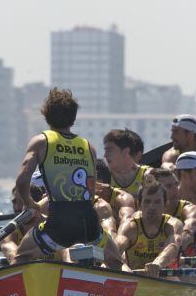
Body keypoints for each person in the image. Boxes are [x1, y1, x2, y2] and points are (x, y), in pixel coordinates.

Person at [13, 88, 121, 268]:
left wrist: (29, 203)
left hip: (58, 222)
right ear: (73, 118)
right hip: (88, 221)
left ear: (46, 116)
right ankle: (115, 291)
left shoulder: (41, 141)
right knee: (115, 260)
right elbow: (90, 190)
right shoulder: (89, 147)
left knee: (21, 257)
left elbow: (22, 179)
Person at [115, 176, 181, 277]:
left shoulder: (173, 225)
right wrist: (123, 268)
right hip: (134, 280)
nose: (152, 207)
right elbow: (114, 252)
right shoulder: (130, 227)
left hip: (164, 280)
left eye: (157, 202)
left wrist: (158, 263)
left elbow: (173, 246)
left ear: (165, 205)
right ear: (139, 205)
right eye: (147, 201)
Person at [151, 168, 196, 252]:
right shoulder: (146, 211)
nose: (175, 189)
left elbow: (190, 227)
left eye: (176, 184)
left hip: (179, 258)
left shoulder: (189, 208)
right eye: (169, 186)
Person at [104, 129, 150, 196]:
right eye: (105, 150)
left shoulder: (148, 174)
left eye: (110, 150)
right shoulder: (104, 176)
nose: (105, 155)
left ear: (126, 152)